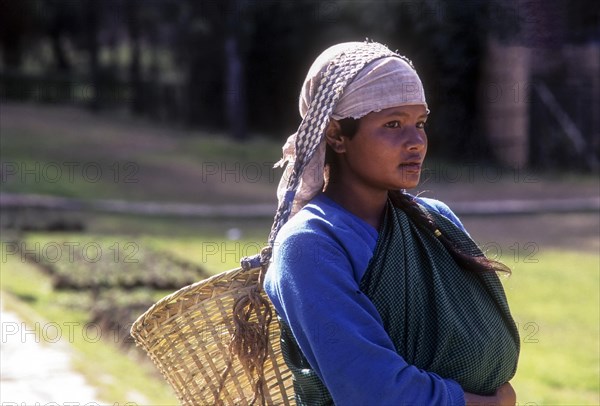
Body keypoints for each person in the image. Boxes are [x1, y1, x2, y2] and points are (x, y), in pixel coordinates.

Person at [262, 41, 520, 405]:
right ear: (337, 135)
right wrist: (492, 403)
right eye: (393, 124)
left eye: (420, 123)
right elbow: (376, 392)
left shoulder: (436, 220)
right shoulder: (310, 246)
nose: (416, 142)